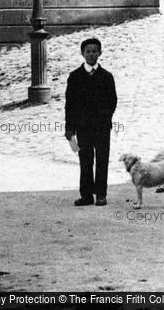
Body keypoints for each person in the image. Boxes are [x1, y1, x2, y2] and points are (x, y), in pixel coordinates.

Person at [65, 38, 118, 207]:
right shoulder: (74, 77)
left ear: (100, 53)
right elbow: (70, 104)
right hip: (83, 127)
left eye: (94, 51)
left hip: (102, 127)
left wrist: (105, 118)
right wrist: (70, 128)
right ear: (82, 54)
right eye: (88, 51)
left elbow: (113, 101)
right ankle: (86, 195)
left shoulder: (106, 76)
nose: (91, 54)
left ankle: (101, 194)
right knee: (86, 160)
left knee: (102, 160)